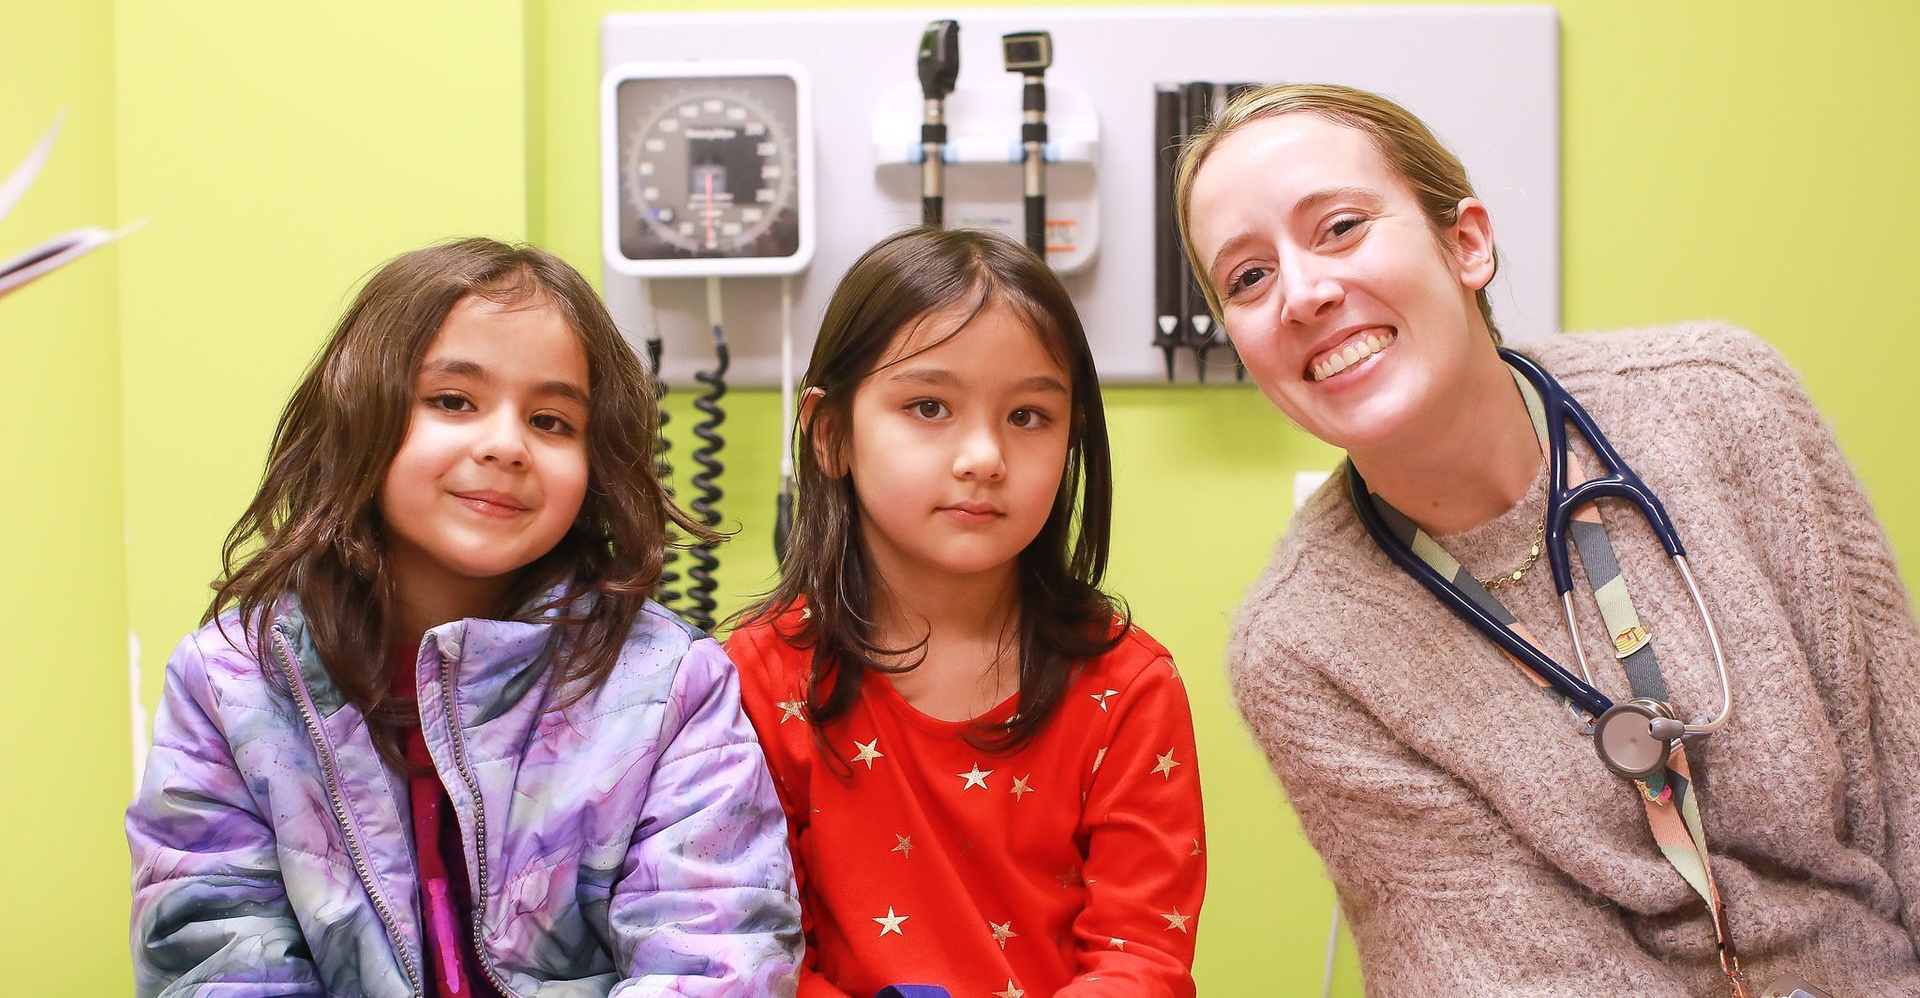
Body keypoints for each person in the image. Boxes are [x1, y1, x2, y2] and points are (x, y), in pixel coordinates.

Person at [1176, 82, 1920, 997]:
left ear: (1467, 243)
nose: (1304, 292)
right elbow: (1505, 975)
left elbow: (1909, 781)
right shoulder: (1305, 649)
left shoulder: (1724, 402)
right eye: (1248, 277)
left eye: (1339, 227)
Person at [126, 238, 803, 997]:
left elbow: (720, 955)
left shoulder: (670, 686)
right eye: (453, 401)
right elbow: (212, 955)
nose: (506, 445)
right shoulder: (233, 682)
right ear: (360, 417)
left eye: (551, 421)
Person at [727, 227, 1206, 998]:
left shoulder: (1130, 686)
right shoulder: (749, 683)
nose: (984, 455)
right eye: (929, 406)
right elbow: (752, 954)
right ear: (831, 434)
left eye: (1028, 417)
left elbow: (1140, 961)